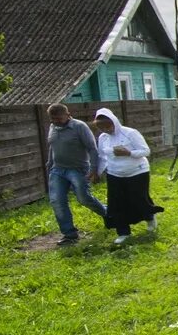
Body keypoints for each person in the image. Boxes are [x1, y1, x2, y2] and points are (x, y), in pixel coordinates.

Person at [93, 108, 163, 245]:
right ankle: (123, 232)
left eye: (108, 126)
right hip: (114, 173)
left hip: (137, 171)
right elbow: (102, 156)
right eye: (102, 128)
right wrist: (98, 172)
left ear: (114, 122)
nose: (106, 130)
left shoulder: (130, 133)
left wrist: (129, 153)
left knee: (139, 199)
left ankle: (149, 217)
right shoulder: (103, 138)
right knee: (117, 203)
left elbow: (146, 151)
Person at [45, 103, 106, 245]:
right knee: (57, 201)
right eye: (52, 119)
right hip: (58, 169)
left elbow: (92, 148)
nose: (56, 121)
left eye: (59, 118)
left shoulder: (79, 126)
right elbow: (52, 147)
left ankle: (108, 214)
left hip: (78, 169)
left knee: (84, 198)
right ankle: (70, 234)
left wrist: (94, 169)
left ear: (67, 114)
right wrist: (49, 164)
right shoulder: (53, 127)